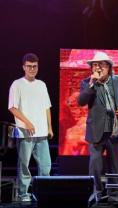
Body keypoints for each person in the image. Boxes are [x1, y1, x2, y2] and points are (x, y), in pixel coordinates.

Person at [77, 52, 118, 204]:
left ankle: (113, 197)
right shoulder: (87, 83)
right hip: (96, 131)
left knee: (114, 166)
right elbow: (81, 101)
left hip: (115, 131)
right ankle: (95, 195)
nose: (97, 68)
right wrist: (91, 84)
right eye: (94, 65)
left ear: (108, 66)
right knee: (95, 165)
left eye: (100, 64)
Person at [8, 53, 53, 202]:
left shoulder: (42, 84)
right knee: (24, 165)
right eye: (29, 66)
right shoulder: (17, 84)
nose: (32, 69)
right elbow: (13, 108)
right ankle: (24, 194)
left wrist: (50, 127)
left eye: (35, 66)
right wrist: (27, 122)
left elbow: (47, 107)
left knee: (46, 166)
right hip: (25, 132)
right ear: (24, 67)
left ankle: (44, 193)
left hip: (41, 132)